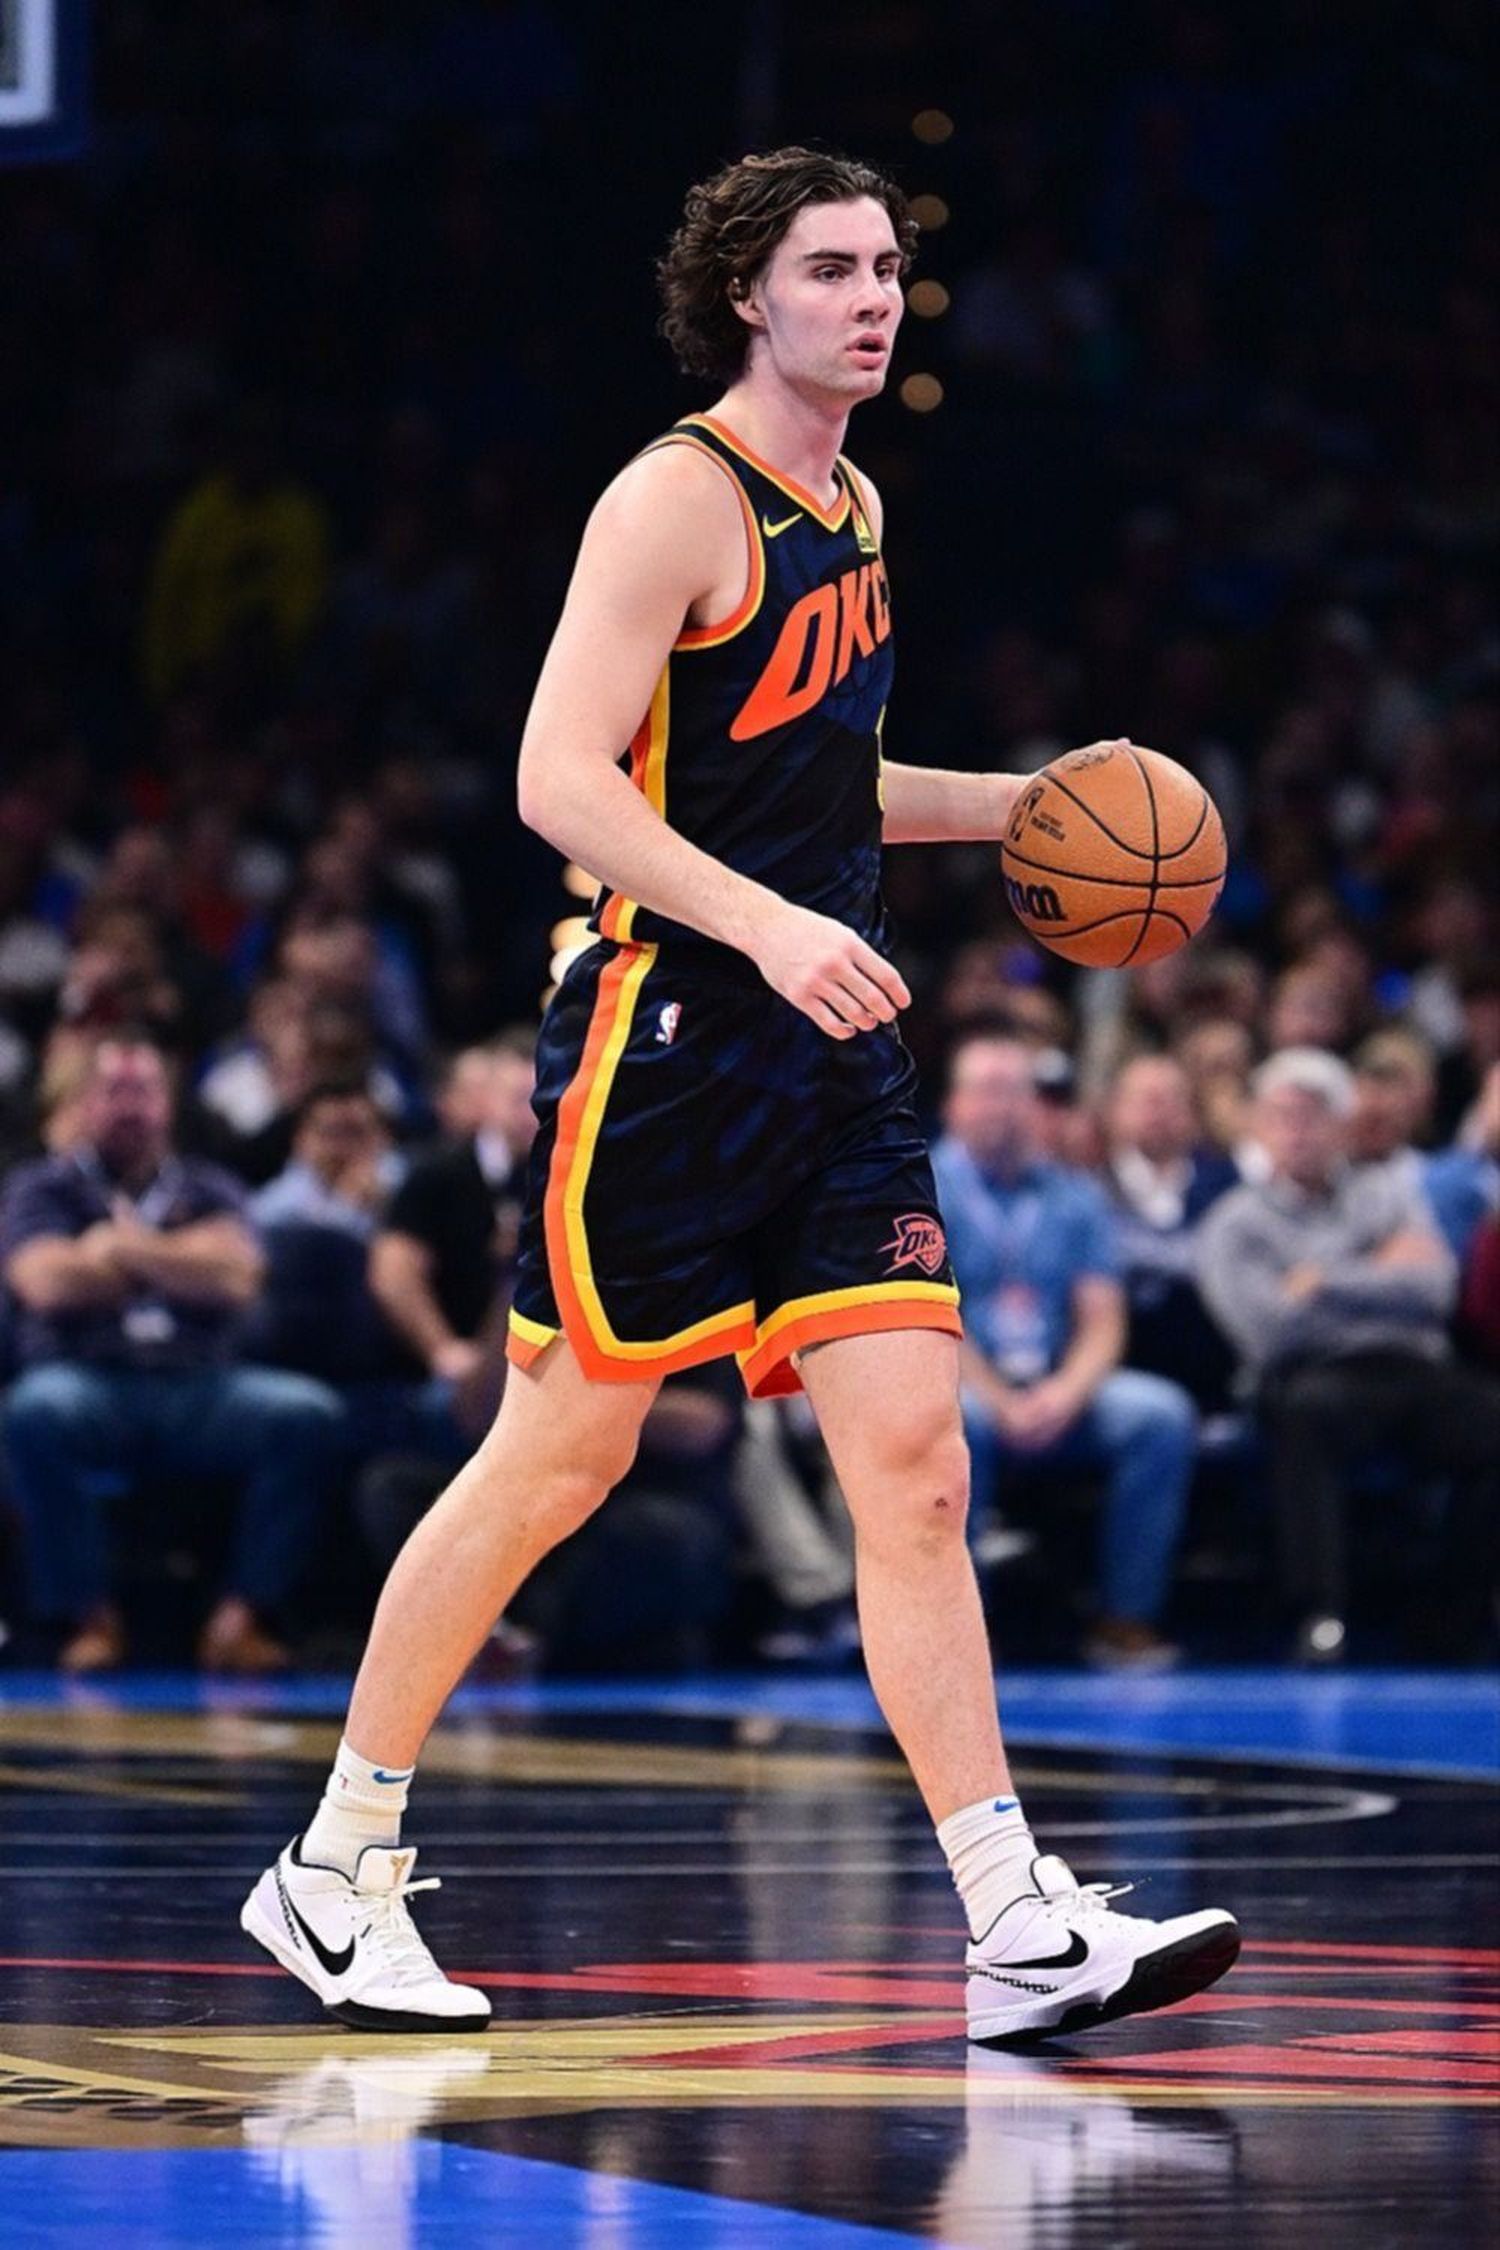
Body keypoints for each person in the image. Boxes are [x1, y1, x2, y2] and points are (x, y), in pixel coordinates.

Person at [241, 146, 1237, 2043]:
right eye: (832, 271)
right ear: (746, 300)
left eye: (886, 269)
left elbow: (821, 782)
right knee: (560, 1460)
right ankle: (332, 1867)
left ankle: (1013, 1913)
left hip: (830, 1054)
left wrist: (1026, 811)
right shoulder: (671, 503)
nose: (873, 298)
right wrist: (769, 929)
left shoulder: (854, 503)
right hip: (666, 1046)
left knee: (917, 1476)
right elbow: (558, 777)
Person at [0, 1030, 344, 1671]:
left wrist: (117, 1248)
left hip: (199, 1386)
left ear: (169, 1102)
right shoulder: (42, 1187)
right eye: (114, 1091)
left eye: (145, 1090)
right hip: (87, 1379)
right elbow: (44, 1282)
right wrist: (186, 1257)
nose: (130, 1105)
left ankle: (240, 1618)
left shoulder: (210, 1183)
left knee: (305, 1414)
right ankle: (89, 1619)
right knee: (34, 1411)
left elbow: (240, 1278)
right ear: (82, 1102)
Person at [1197, 1047, 1500, 1662]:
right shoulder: (1232, 1222)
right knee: (1306, 1416)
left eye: (1315, 1115)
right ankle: (1321, 1616)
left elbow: (1437, 1288)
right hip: (1308, 1378)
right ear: (1258, 1126)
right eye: (1283, 1115)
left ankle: (1455, 1614)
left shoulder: (1387, 1192)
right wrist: (1379, 1272)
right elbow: (1269, 1332)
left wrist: (1321, 1281)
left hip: (1414, 1366)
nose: (1299, 1130)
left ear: (1342, 1126)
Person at [933, 1034, 1199, 1671]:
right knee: (955, 1423)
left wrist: (1066, 1393)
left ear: (1037, 1107)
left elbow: (1102, 1318)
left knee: (1160, 1415)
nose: (1000, 1107)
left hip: (1056, 1381)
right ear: (953, 1105)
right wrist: (998, 1399)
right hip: (957, 1378)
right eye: (985, 1091)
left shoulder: (1075, 1194)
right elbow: (927, 1317)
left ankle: (1124, 1618)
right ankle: (956, 1631)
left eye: (1014, 1092)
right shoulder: (918, 1186)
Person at [1102, 1053, 1238, 1411]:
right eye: (1145, 1099)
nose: (1158, 1111)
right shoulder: (1087, 1189)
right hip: (1119, 1366)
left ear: (1192, 1113)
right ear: (1115, 1110)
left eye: (1170, 1099)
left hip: (1213, 1369)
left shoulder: (1229, 1187)